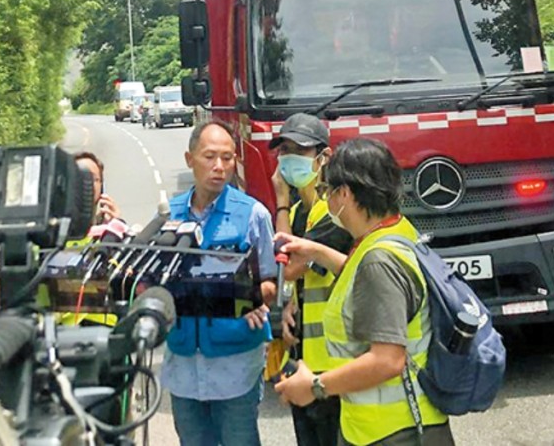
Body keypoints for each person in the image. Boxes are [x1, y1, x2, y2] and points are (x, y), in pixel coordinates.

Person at [274, 138, 453, 446]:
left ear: (344, 194)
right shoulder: (394, 234)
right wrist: (317, 251)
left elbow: (387, 361)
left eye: (326, 191)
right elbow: (366, 282)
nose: (325, 200)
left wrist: (315, 386)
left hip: (397, 434)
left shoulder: (377, 260)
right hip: (387, 429)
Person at [162, 119, 278, 446]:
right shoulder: (168, 217)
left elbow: (270, 283)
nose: (219, 167)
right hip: (183, 365)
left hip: (236, 366)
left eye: (227, 158)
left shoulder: (253, 214)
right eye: (210, 156)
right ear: (189, 159)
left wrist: (252, 298)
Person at [269, 113, 352, 446]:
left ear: (324, 157)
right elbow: (286, 278)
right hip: (302, 354)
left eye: (299, 151)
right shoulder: (302, 211)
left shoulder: (333, 212)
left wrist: (280, 203)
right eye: (284, 150)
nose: (289, 158)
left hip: (333, 362)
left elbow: (284, 266)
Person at [0, 150, 122, 319]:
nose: (87, 184)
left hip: (104, 337)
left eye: (94, 178)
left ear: (102, 188)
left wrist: (118, 225)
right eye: (79, 177)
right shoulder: (45, 240)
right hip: (56, 339)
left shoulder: (112, 235)